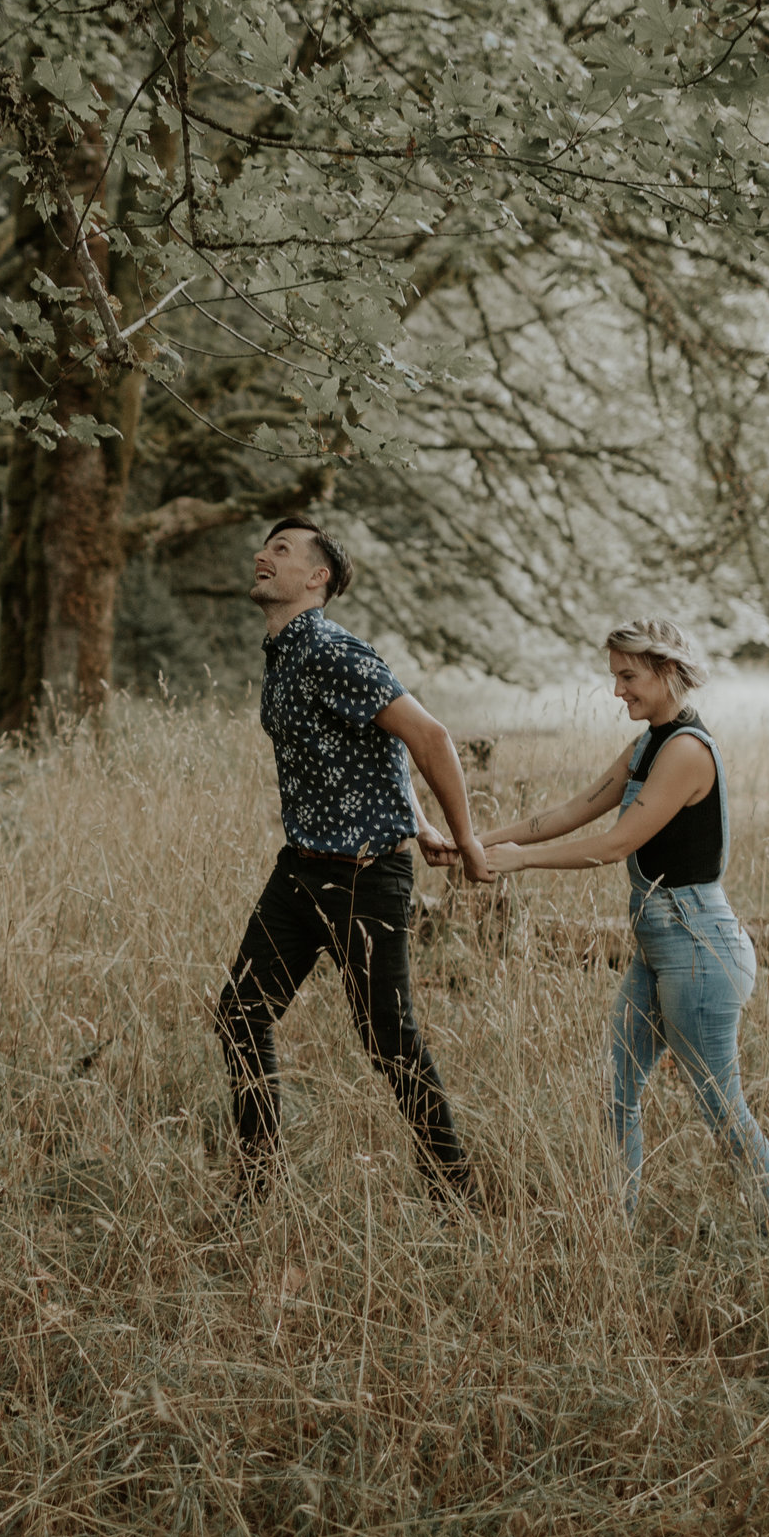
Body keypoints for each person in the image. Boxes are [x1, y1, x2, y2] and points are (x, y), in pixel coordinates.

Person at [479, 618, 769, 1248]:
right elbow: (575, 810)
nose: (617, 691)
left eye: (629, 677)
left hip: (699, 949)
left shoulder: (685, 749)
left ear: (667, 672)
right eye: (614, 677)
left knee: (723, 1113)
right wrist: (476, 841)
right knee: (616, 1087)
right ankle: (615, 1232)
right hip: (660, 951)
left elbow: (618, 841)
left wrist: (518, 862)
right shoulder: (649, 745)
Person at [214, 517, 491, 1206]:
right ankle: (255, 1183)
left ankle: (454, 1191)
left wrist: (465, 837)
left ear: (318, 578)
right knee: (241, 1011)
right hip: (301, 870)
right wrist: (417, 818)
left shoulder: (332, 649)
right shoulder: (282, 655)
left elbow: (428, 734)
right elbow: (374, 744)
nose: (262, 555)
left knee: (387, 1039)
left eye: (281, 550)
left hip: (366, 876)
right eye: (264, 546)